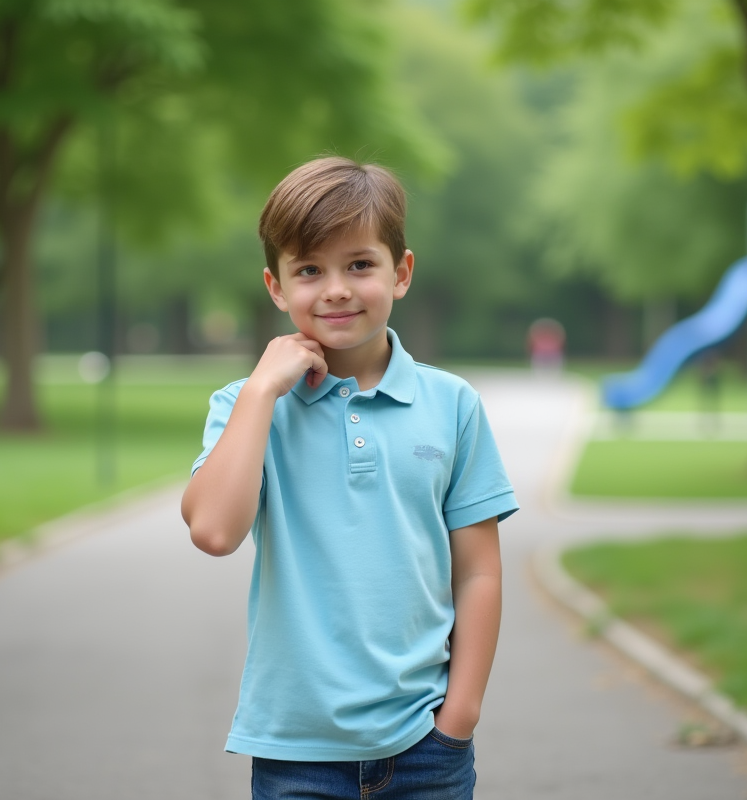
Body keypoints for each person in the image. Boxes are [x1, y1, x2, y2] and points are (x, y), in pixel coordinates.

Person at [181, 156, 519, 800]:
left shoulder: (451, 406)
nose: (335, 288)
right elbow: (215, 532)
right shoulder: (244, 407)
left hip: (426, 747)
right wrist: (261, 393)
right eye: (309, 269)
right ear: (276, 288)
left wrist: (461, 715)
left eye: (359, 264)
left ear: (402, 273)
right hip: (296, 752)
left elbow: (477, 569)